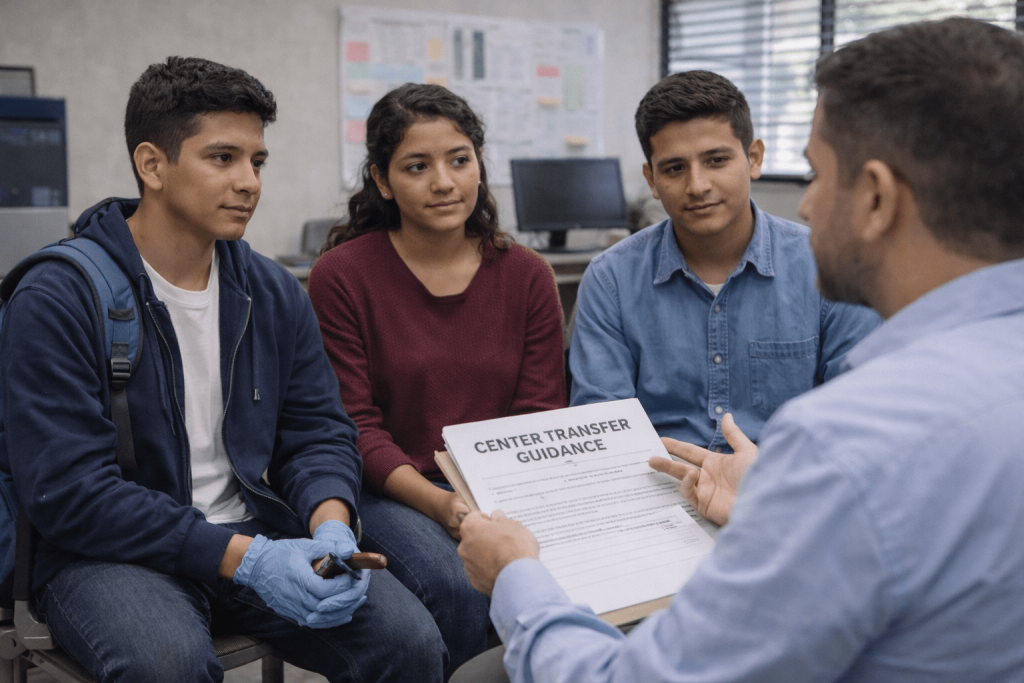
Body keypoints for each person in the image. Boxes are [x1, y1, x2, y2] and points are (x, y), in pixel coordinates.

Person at [456, 17, 1024, 682]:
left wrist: (517, 575)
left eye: (817, 174)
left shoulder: (847, 437)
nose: (808, 206)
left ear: (875, 197)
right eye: (675, 168)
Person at [0, 57, 444, 682]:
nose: (249, 182)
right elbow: (70, 494)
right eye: (222, 158)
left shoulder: (271, 289)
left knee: (407, 642)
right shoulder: (57, 296)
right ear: (152, 165)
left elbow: (316, 431)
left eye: (256, 162)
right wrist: (248, 559)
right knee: (167, 665)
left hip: (254, 532)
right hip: (108, 553)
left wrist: (330, 524)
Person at [307, 83, 566, 676]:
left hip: (503, 486)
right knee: (459, 583)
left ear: (479, 163)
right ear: (381, 179)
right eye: (417, 167)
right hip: (394, 488)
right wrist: (445, 505)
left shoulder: (527, 275)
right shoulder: (341, 276)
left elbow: (541, 411)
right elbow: (356, 427)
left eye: (459, 160)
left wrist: (485, 503)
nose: (444, 182)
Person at [569, 69, 880, 450]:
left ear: (753, 158)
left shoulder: (829, 264)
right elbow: (602, 430)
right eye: (675, 168)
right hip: (659, 490)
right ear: (652, 180)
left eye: (716, 160)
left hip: (786, 489)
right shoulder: (611, 279)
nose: (697, 185)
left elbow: (857, 421)